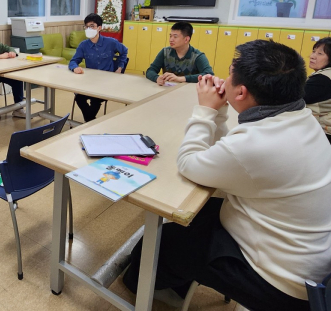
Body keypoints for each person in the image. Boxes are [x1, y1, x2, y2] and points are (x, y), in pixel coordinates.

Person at [123, 40, 331, 311]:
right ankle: (171, 279)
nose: (225, 78)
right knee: (198, 213)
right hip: (306, 257)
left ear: (241, 92)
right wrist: (220, 113)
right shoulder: (299, 116)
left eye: (231, 74)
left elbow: (188, 163)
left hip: (281, 284)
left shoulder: (257, 145)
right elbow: (231, 152)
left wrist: (205, 111)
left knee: (167, 241)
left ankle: (143, 288)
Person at [69, 14, 128, 122]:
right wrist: (75, 68)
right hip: (90, 81)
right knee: (79, 98)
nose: (89, 29)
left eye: (92, 26)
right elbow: (73, 61)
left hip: (107, 83)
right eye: (86, 27)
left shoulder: (111, 42)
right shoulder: (83, 45)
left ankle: (89, 122)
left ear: (99, 28)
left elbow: (124, 51)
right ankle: (91, 122)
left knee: (96, 99)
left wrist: (120, 67)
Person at [146, 22, 213, 85]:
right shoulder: (165, 52)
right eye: (170, 36)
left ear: (186, 39)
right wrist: (157, 78)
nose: (171, 40)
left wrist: (180, 79)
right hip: (168, 90)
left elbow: (209, 75)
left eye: (175, 37)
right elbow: (150, 70)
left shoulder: (197, 56)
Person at [305, 37, 331, 143]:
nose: (312, 56)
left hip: (322, 133)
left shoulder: (323, 79)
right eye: (313, 51)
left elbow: (294, 97)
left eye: (320, 54)